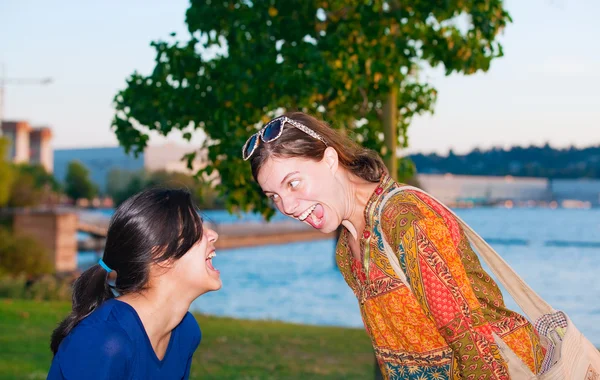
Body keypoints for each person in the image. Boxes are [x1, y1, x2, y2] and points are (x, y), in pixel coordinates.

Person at [243, 112, 544, 379]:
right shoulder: (348, 248)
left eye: (293, 183)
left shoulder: (402, 218)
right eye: (274, 196)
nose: (287, 206)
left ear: (330, 160)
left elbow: (472, 343)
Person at [48, 188, 221, 379]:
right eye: (197, 228)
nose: (213, 234)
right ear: (160, 256)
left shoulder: (186, 331)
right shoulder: (102, 341)